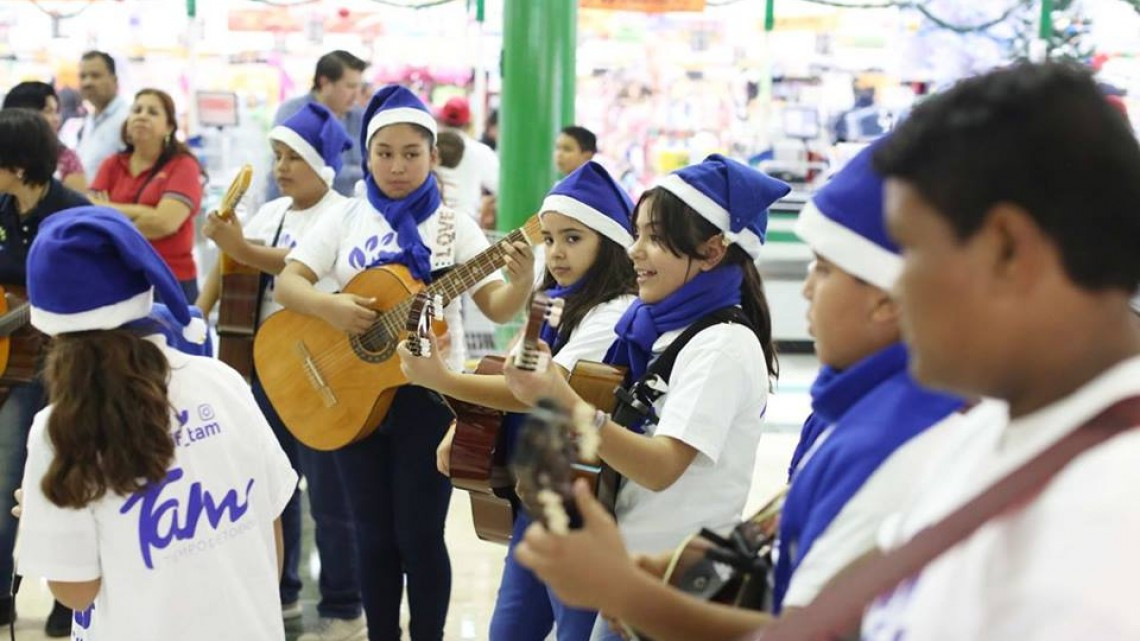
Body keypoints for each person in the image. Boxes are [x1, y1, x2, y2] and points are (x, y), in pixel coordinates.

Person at [856, 62, 1140, 640]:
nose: (896, 284)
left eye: (910, 248)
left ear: (1007, 248)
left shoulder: (1113, 522)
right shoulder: (991, 431)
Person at [274, 85, 536, 641]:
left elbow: (496, 305)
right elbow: (289, 283)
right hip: (348, 394)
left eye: (411, 154)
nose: (397, 166)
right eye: (384, 153)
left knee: (419, 535)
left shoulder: (452, 226)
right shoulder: (345, 217)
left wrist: (524, 281)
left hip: (431, 397)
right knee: (371, 535)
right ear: (366, 156)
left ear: (433, 156)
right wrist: (333, 307)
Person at [503, 154, 787, 641]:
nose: (634, 251)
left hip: (673, 581)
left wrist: (562, 398)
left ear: (713, 250)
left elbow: (660, 466)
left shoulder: (720, 344)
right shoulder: (648, 327)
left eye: (654, 238)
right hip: (631, 568)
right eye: (637, 233)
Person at [14, 207, 297, 640]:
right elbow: (269, 532)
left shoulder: (60, 429)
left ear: (51, 328)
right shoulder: (222, 381)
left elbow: (75, 592)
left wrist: (44, 514)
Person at [398, 160, 637, 641]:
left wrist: (441, 378)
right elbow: (509, 364)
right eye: (549, 238)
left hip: (582, 511)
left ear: (610, 244)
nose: (557, 253)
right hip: (537, 497)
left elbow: (530, 390)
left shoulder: (614, 311)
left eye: (574, 238)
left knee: (574, 631)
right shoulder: (557, 301)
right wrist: (457, 424)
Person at [197, 102, 366, 641]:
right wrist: (196, 315)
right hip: (264, 369)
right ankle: (282, 591)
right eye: (277, 156)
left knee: (330, 491)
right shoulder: (269, 214)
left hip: (321, 370)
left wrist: (241, 246)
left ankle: (344, 603)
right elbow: (234, 268)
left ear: (323, 163)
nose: (282, 167)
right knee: (272, 486)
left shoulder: (344, 213)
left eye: (295, 156)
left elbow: (289, 264)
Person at [0, 108, 90, 636]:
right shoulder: (4, 209)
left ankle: (69, 599)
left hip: (71, 367)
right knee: (8, 476)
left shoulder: (72, 213)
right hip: (16, 367)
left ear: (17, 164)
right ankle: (3, 595)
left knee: (69, 476)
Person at [89, 88, 204, 303]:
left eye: (152, 112)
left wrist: (109, 211)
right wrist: (144, 213)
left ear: (169, 126)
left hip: (169, 280)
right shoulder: (112, 164)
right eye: (137, 110)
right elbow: (91, 217)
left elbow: (165, 223)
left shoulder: (183, 165)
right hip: (118, 278)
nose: (142, 116)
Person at [270, 50, 367, 199]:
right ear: (325, 83)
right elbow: (312, 171)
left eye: (359, 87)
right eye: (350, 86)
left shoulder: (359, 118)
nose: (356, 94)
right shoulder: (293, 114)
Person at [3, 81, 88, 192]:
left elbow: (78, 206)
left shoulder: (65, 158)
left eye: (56, 111)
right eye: (48, 111)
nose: (56, 119)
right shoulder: (4, 152)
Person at [434, 96, 499, 221]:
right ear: (468, 123)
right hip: (467, 223)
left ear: (441, 120)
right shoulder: (481, 152)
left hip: (428, 224)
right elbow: (499, 187)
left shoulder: (423, 149)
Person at [74, 51, 128, 178]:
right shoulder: (89, 121)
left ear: (114, 80)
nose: (87, 83)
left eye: (95, 76)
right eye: (83, 76)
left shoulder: (127, 120)